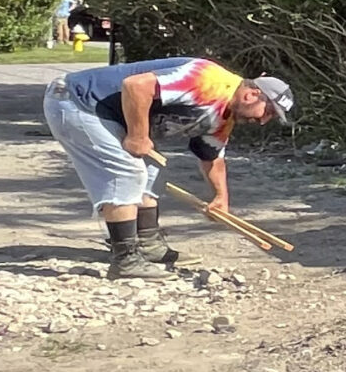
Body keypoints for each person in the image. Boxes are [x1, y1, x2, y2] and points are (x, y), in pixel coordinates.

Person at [42, 57, 294, 279]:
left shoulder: (223, 113)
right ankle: (125, 259)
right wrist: (138, 135)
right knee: (127, 172)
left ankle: (149, 246)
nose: (262, 122)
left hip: (102, 112)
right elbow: (136, 86)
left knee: (154, 170)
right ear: (252, 95)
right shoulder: (208, 81)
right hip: (76, 101)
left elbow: (211, 156)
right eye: (267, 113)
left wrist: (220, 197)